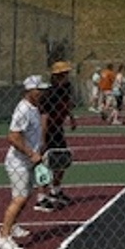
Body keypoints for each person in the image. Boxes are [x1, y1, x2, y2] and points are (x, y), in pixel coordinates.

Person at [0, 74, 49, 249]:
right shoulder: (23, 109)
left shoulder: (33, 107)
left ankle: (13, 226)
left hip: (27, 161)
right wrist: (31, 153)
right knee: (19, 199)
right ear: (29, 90)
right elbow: (12, 136)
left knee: (25, 196)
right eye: (38, 90)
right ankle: (2, 237)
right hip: (18, 162)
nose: (41, 93)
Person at [35, 61, 77, 212]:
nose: (67, 76)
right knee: (45, 162)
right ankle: (41, 196)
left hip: (59, 128)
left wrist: (71, 118)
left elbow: (68, 104)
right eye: (64, 74)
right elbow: (44, 117)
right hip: (49, 130)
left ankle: (56, 190)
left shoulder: (66, 89)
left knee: (62, 159)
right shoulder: (49, 94)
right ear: (58, 76)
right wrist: (42, 138)